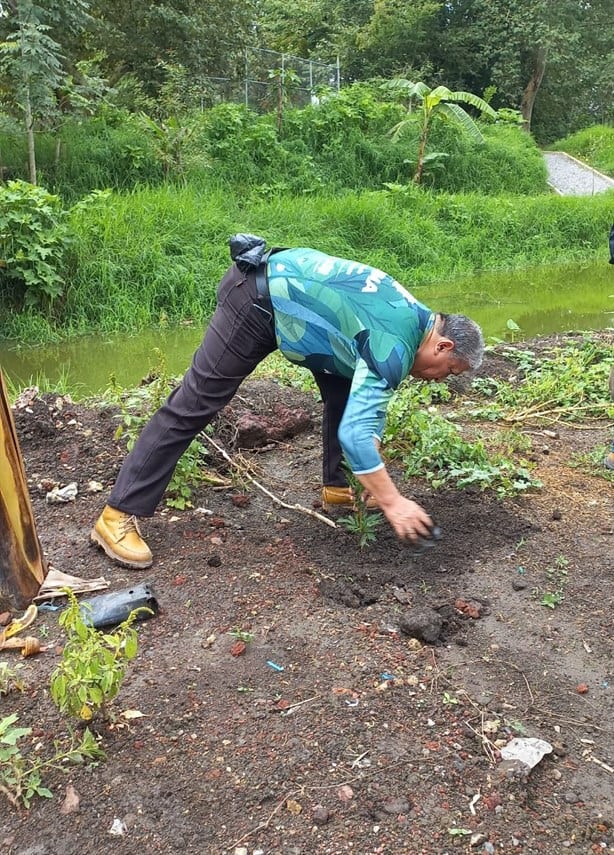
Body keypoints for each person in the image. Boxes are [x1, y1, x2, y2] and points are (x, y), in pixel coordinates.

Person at [91, 236, 484, 569]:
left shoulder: (415, 321)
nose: (438, 380)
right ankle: (118, 514)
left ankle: (339, 488)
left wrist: (370, 454)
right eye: (447, 371)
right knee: (195, 403)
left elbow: (368, 410)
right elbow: (357, 432)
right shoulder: (394, 344)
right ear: (443, 345)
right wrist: (392, 501)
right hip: (257, 299)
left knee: (345, 390)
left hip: (304, 314)